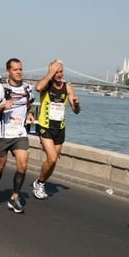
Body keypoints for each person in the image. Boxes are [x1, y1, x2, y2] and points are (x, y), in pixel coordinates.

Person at [0, 58, 35, 213]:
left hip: (20, 133)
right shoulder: (1, 88)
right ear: (8, 71)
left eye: (20, 69)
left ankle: (14, 198)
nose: (19, 72)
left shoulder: (28, 88)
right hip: (3, 134)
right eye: (15, 69)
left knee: (23, 164)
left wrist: (30, 113)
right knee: (0, 165)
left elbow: (30, 104)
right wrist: (1, 106)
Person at [32, 60, 80, 199]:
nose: (58, 74)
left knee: (53, 162)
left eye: (60, 71)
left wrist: (76, 104)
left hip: (60, 128)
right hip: (45, 126)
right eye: (56, 71)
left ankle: (40, 181)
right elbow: (38, 87)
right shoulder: (46, 85)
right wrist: (50, 72)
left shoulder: (68, 87)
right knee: (52, 159)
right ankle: (40, 184)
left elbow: (76, 111)